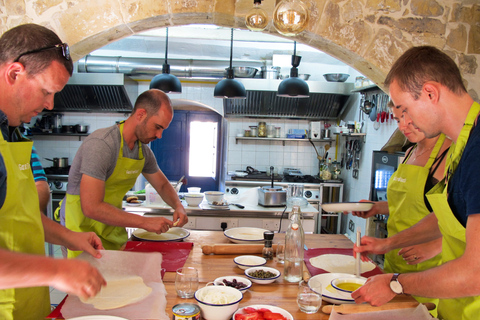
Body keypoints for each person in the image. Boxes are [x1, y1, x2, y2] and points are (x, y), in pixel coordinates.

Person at [352, 46, 480, 319]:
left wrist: (396, 283)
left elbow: (475, 274)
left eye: (405, 109)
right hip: (454, 307)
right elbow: (449, 216)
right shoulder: (464, 144)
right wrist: (388, 245)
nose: (405, 121)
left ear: (431, 93)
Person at [0, 24, 106, 319]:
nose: (50, 104)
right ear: (14, 73)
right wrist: (57, 269)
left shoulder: (14, 134)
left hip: (28, 303)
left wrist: (69, 237)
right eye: (46, 91)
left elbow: (19, 218)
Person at [349, 100, 450, 315]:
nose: (403, 126)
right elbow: (408, 203)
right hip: (394, 261)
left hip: (429, 267)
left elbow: (457, 218)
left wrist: (436, 246)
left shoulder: (449, 154)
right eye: (398, 119)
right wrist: (376, 208)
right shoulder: (409, 152)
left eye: (409, 117)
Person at [61, 89, 188, 257]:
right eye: (157, 127)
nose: (159, 135)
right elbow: (91, 207)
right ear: (141, 114)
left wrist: (178, 205)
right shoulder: (102, 144)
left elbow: (163, 185)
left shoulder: (143, 151)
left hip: (111, 232)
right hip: (81, 231)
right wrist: (144, 222)